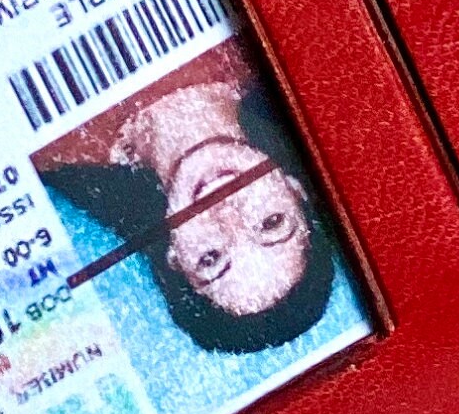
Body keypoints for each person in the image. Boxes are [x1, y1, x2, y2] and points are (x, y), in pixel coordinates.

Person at [37, 49, 340, 355]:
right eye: (270, 223)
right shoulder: (263, 51)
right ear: (295, 191)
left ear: (176, 258)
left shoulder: (51, 147)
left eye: (211, 257)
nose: (226, 214)